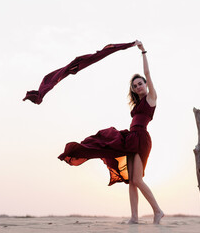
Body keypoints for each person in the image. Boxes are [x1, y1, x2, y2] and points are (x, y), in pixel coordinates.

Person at [58, 40, 164, 224]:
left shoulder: (151, 97)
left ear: (146, 85)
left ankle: (158, 211)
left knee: (137, 180)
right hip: (132, 137)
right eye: (135, 86)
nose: (138, 86)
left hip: (141, 139)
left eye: (140, 84)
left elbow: (147, 73)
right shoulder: (138, 104)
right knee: (131, 181)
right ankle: (134, 217)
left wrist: (143, 51)